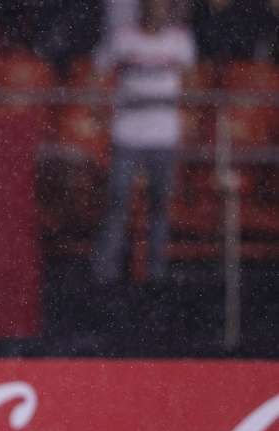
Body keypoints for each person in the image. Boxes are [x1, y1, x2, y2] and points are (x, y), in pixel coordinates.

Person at [91, 0, 195, 284]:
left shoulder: (180, 41)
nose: (157, 10)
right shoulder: (123, 39)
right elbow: (99, 74)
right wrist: (101, 109)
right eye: (152, 5)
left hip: (164, 136)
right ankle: (105, 274)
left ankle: (156, 274)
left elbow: (192, 84)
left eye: (162, 6)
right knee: (117, 204)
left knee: (160, 207)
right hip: (127, 134)